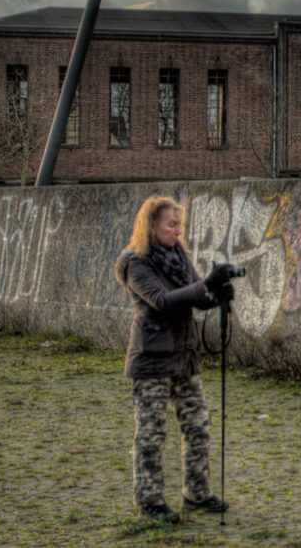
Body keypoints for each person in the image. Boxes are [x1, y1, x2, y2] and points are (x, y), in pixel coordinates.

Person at [113, 195, 238, 522]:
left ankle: (197, 494)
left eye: (179, 225)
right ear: (151, 226)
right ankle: (150, 503)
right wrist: (204, 287)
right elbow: (162, 300)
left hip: (184, 355)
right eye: (171, 225)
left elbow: (194, 294)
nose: (177, 231)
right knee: (151, 434)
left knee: (199, 426)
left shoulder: (178, 257)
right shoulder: (135, 263)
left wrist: (217, 294)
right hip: (151, 358)